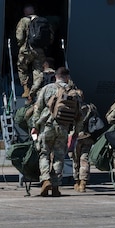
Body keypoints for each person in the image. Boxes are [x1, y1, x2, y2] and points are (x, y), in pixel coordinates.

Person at [29, 66, 80, 197]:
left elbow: (37, 108)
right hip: (63, 128)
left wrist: (35, 126)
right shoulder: (73, 92)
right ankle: (56, 186)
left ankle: (46, 179)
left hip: (47, 126)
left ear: (55, 76)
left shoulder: (47, 88)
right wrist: (75, 132)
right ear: (67, 77)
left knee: (44, 154)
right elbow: (79, 114)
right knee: (59, 157)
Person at [14, 5, 51, 97]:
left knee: (22, 67)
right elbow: (50, 37)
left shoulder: (24, 20)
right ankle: (36, 91)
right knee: (38, 70)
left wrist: (20, 45)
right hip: (39, 50)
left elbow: (20, 36)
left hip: (26, 50)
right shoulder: (42, 21)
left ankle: (26, 89)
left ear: (25, 12)